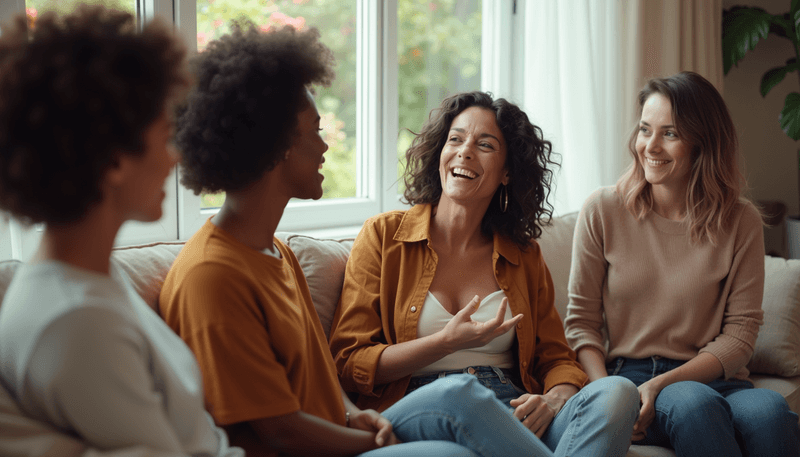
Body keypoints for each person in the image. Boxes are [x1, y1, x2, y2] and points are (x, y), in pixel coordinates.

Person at [159, 23, 564, 457]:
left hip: (351, 430)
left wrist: (355, 414)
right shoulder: (212, 275)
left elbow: (322, 387)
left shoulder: (275, 254)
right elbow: (279, 432)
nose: (325, 147)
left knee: (602, 394)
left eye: (485, 145)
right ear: (275, 147)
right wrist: (372, 436)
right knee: (453, 422)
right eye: (315, 131)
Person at [328, 91, 640, 457]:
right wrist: (443, 342)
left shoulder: (523, 254)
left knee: (618, 391)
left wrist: (555, 399)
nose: (465, 151)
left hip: (511, 411)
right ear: (440, 153)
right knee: (459, 391)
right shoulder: (383, 236)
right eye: (455, 139)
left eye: (485, 144)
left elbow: (556, 358)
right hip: (425, 403)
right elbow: (348, 361)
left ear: (507, 172)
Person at [0, 6, 241, 457]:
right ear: (114, 161)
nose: (177, 158)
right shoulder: (75, 319)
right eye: (166, 137)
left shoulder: (88, 279)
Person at [564, 71, 800, 457]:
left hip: (713, 374)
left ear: (702, 143)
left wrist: (666, 383)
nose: (650, 146)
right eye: (645, 130)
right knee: (693, 405)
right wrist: (609, 397)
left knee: (771, 413)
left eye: (670, 133)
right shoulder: (603, 209)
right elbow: (581, 325)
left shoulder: (740, 220)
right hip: (631, 376)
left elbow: (740, 336)